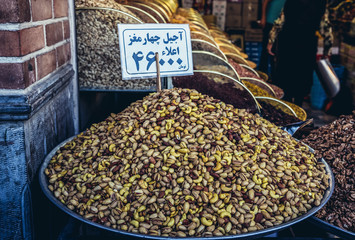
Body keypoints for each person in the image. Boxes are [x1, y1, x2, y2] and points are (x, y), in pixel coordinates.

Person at [267, 0, 332, 106]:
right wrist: (327, 50)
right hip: (307, 43)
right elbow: (326, 27)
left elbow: (280, 21)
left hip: (288, 41)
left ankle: (286, 107)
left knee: (286, 75)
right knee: (302, 76)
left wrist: (271, 41)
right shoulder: (321, 2)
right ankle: (298, 106)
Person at [258, 0, 287, 75]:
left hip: (282, 23)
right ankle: (262, 73)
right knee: (266, 49)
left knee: (276, 51)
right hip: (271, 21)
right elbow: (265, 2)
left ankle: (274, 75)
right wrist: (263, 17)